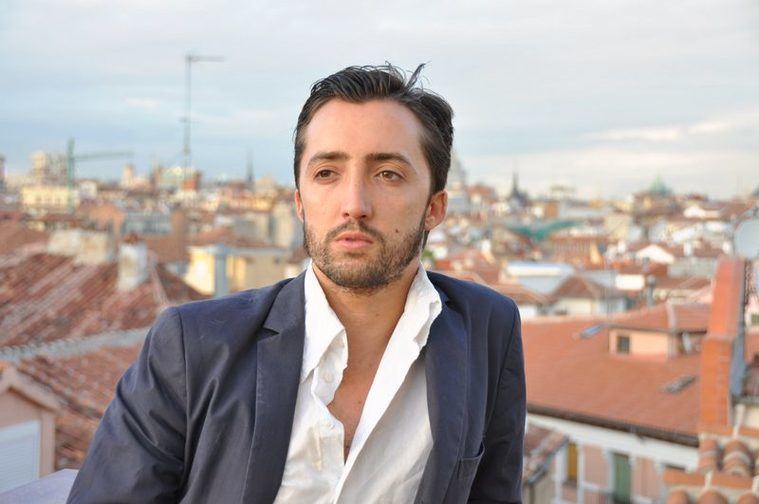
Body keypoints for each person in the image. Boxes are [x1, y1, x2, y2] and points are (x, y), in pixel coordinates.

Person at [68, 64, 525, 504]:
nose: (354, 204)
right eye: (327, 173)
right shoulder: (193, 347)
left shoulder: (487, 329)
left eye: (388, 174)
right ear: (301, 202)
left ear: (435, 208)